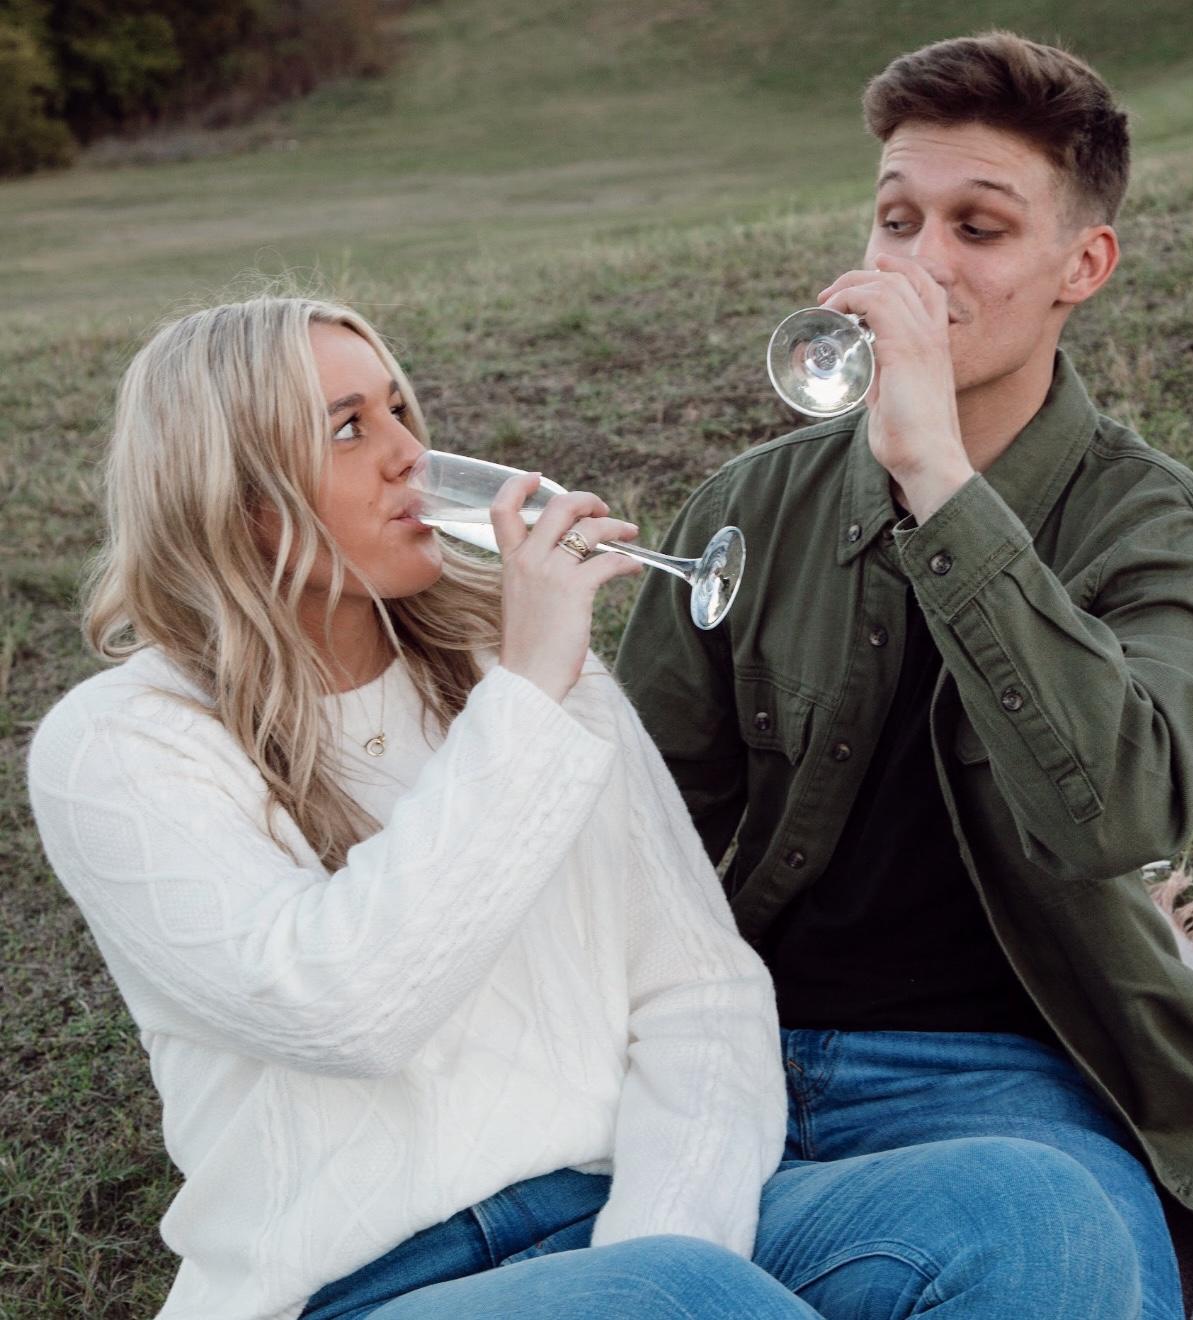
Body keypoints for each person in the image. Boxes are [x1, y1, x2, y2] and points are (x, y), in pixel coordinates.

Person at [615, 30, 1193, 1318]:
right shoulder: (748, 504)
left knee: (1072, 1262)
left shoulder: (1157, 525)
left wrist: (939, 479)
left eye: (978, 229)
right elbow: (640, 826)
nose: (919, 264)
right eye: (897, 221)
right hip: (728, 1043)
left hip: (1001, 1069)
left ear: (1082, 266)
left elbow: (1121, 810)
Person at [26, 294, 818, 1320]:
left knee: (1002, 1207)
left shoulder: (522, 672)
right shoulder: (117, 746)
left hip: (620, 1222)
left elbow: (700, 991)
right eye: (348, 429)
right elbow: (346, 1009)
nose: (409, 454)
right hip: (354, 1286)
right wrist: (526, 696)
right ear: (235, 495)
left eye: (399, 410)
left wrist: (663, 1238)